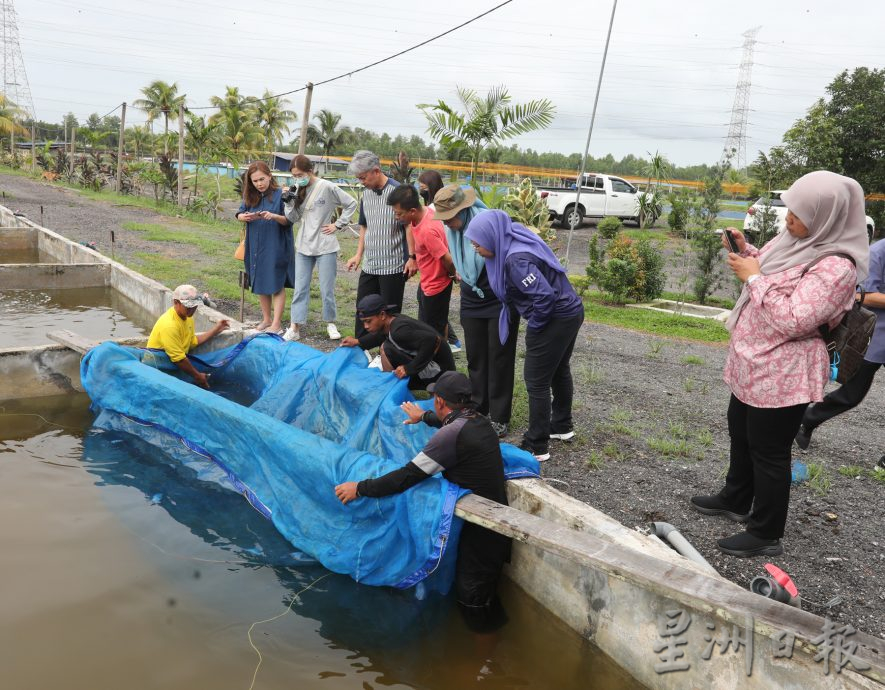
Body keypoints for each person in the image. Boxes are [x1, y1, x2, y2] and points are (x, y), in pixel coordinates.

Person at [691, 171, 869, 558]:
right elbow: (772, 270)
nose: (789, 220)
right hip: (753, 362)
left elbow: (794, 319)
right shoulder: (794, 240)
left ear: (828, 217)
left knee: (769, 451)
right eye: (790, 210)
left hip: (785, 370)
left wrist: (753, 280)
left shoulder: (838, 266)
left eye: (799, 214)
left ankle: (765, 531)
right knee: (740, 430)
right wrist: (748, 251)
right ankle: (736, 497)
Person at [334, 371, 510, 631]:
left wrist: (360, 488)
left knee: (473, 602)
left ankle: (485, 661)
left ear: (439, 401)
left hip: (484, 533)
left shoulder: (449, 437)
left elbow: (406, 477)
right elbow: (450, 426)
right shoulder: (479, 421)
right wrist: (423, 417)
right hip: (495, 523)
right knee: (480, 598)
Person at [465, 210, 584, 461]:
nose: (474, 246)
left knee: (536, 380)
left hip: (555, 317)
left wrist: (536, 326)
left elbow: (544, 296)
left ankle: (536, 444)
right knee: (559, 370)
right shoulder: (514, 240)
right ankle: (561, 426)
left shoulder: (515, 260)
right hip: (571, 310)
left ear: (492, 236)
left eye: (478, 241)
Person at [434, 185, 519, 438]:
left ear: (465, 210)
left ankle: (500, 417)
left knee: (500, 358)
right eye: (444, 220)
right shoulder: (455, 232)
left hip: (499, 299)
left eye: (449, 218)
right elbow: (460, 262)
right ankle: (478, 407)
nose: (447, 224)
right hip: (471, 298)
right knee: (476, 357)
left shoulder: (490, 224)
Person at [794, 236, 885, 452]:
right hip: (874, 338)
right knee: (852, 394)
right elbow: (864, 295)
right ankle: (808, 420)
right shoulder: (878, 252)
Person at [281, 154, 358, 343]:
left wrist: (338, 224)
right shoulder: (297, 189)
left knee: (327, 288)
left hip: (325, 244)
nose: (297, 179)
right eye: (294, 176)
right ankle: (295, 326)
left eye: (300, 175)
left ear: (310, 171)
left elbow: (351, 203)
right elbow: (293, 218)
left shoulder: (327, 187)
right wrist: (289, 202)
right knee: (300, 287)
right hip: (304, 244)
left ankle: (330, 323)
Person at [345, 151, 418, 339]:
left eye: (363, 177)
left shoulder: (398, 192)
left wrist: (412, 257)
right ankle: (360, 349)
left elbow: (409, 226)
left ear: (376, 171)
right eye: (358, 178)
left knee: (389, 314)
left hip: (393, 266)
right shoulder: (366, 194)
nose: (361, 181)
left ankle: (387, 352)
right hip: (370, 264)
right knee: (363, 308)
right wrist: (358, 255)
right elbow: (364, 227)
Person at [340, 294, 455, 389]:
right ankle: (393, 385)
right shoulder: (392, 323)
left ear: (382, 315)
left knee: (386, 348)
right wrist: (358, 341)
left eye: (368, 321)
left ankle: (392, 388)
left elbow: (432, 340)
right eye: (363, 322)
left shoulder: (399, 331)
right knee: (386, 345)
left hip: (442, 373)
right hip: (436, 367)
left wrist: (409, 368)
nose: (365, 326)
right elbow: (380, 336)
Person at [386, 184, 454, 339]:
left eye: (398, 214)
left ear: (412, 211)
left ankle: (438, 359)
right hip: (427, 281)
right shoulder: (423, 212)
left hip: (436, 286)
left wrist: (452, 275)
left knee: (433, 331)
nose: (396, 217)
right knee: (428, 324)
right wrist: (413, 257)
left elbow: (447, 259)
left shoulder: (427, 231)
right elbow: (410, 227)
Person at [235, 161, 295, 335]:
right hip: (255, 244)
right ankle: (266, 319)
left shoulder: (281, 194)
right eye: (255, 181)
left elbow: (289, 220)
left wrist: (274, 216)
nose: (259, 184)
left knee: (276, 283)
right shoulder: (250, 196)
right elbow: (239, 212)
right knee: (260, 280)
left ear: (270, 176)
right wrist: (243, 216)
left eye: (262, 179)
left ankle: (276, 324)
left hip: (276, 244)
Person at [146, 284, 230, 389]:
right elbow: (179, 360)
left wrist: (216, 330)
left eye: (194, 306)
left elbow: (192, 342)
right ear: (176, 302)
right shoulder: (169, 325)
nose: (192, 310)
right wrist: (198, 376)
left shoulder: (188, 318)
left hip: (173, 364)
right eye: (188, 306)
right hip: (158, 367)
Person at [418, 169, 463, 353]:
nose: (420, 190)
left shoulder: (434, 211)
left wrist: (453, 272)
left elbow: (444, 251)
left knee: (434, 313)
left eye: (422, 187)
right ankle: (450, 342)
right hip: (441, 266)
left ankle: (442, 347)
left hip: (440, 268)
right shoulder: (431, 209)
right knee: (433, 309)